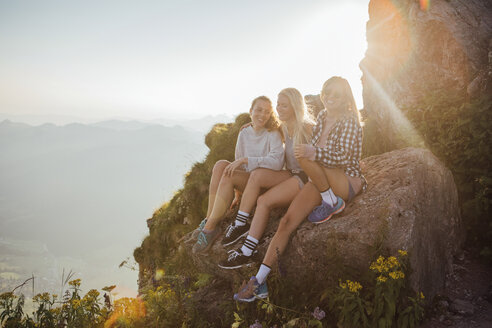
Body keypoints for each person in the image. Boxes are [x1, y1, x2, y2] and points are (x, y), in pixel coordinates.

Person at [233, 76, 366, 302]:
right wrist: (255, 124)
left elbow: (344, 158)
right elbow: (284, 127)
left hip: (345, 180)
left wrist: (313, 154)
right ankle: (260, 281)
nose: (330, 98)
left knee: (304, 154)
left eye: (336, 94)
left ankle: (333, 202)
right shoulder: (323, 116)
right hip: (320, 179)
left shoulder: (350, 120)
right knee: (286, 223)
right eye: (327, 93)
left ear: (346, 98)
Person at [218, 87, 314, 269]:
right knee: (257, 176)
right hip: (289, 174)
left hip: (306, 178)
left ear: (294, 107)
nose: (278, 109)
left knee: (263, 201)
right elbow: (263, 127)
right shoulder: (282, 127)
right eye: (278, 105)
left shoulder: (308, 128)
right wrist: (249, 125)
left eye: (284, 106)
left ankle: (247, 251)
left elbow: (321, 153)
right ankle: (240, 223)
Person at [192, 96, 284, 254]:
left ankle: (209, 230)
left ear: (271, 115)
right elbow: (238, 164)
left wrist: (247, 160)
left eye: (267, 112)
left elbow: (277, 162)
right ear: (251, 111)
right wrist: (238, 194)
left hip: (265, 182)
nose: (262, 115)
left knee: (229, 175)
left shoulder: (273, 133)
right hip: (249, 180)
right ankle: (209, 219)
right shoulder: (244, 132)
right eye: (259, 110)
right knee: (221, 165)